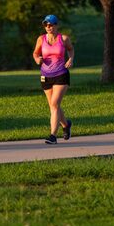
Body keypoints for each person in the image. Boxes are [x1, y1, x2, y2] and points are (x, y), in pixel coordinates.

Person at [33, 14, 74, 144]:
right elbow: (35, 53)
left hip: (61, 74)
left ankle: (53, 136)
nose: (48, 27)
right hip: (45, 75)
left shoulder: (64, 38)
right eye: (46, 24)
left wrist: (71, 59)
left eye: (50, 24)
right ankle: (66, 125)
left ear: (56, 25)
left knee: (54, 104)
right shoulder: (41, 39)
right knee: (53, 105)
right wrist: (37, 59)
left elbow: (71, 49)